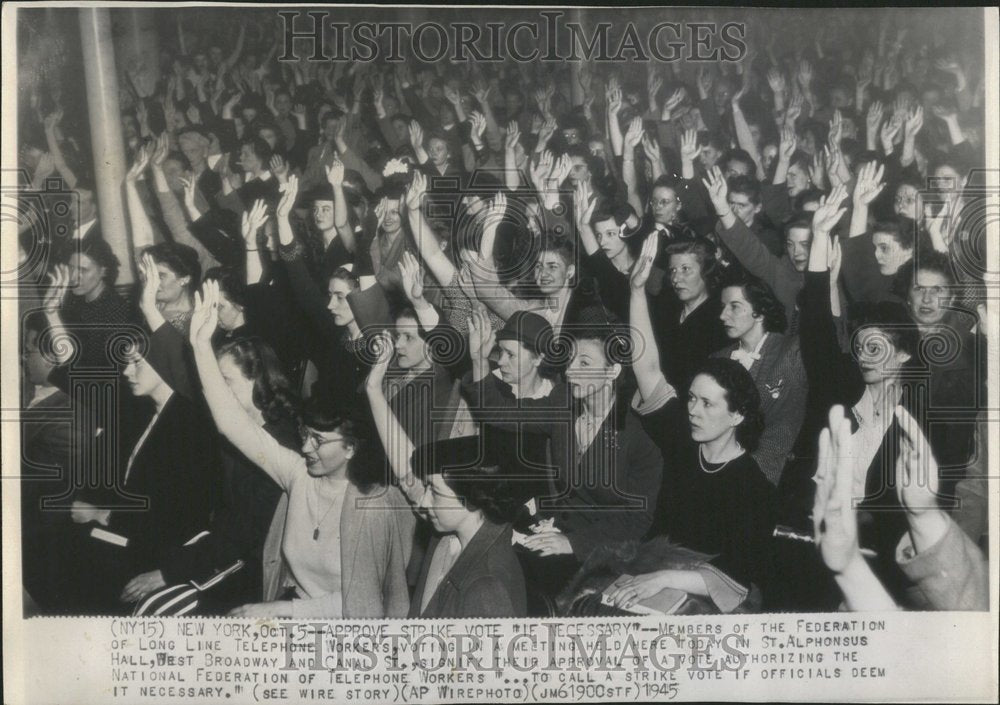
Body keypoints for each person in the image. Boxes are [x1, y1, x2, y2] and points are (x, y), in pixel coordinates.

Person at [189, 281, 414, 618]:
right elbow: (233, 425)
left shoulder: (375, 503)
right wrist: (200, 346)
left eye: (320, 441)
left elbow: (368, 602)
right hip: (288, 609)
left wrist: (281, 610)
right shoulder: (299, 476)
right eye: (306, 435)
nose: (306, 447)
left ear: (351, 448)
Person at [619, 235, 776, 610]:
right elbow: (649, 369)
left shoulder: (753, 485)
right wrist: (637, 292)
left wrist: (664, 578)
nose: (693, 410)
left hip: (707, 596)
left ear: (737, 414)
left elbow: (737, 575)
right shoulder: (684, 442)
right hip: (656, 572)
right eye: (691, 399)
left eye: (707, 403)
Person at [119, 336, 299, 614]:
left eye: (225, 381)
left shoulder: (280, 442)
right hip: (224, 550)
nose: (215, 393)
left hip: (253, 568)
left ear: (257, 379)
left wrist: (168, 573)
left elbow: (243, 537)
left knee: (154, 608)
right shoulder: (236, 435)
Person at [57, 332, 221, 615]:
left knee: (61, 564)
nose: (126, 371)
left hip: (154, 554)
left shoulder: (189, 427)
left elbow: (179, 517)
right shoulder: (145, 409)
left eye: (136, 363)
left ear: (164, 365)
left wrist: (102, 514)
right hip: (128, 537)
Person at [366, 334, 527, 618]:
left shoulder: (488, 586)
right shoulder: (449, 538)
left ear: (473, 497)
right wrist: (373, 390)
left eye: (435, 492)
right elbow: (410, 469)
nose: (424, 503)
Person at [714, 269, 808, 485]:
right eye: (723, 307)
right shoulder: (718, 359)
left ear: (760, 312)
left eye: (734, 307)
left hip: (775, 478)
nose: (723, 315)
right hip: (723, 474)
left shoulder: (792, 353)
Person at [647, 237, 729, 390]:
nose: (676, 278)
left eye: (686, 269)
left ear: (706, 271)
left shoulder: (720, 322)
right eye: (673, 270)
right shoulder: (665, 309)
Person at [142, 241, 202, 335]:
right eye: (149, 276)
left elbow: (170, 348)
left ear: (185, 279)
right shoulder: (155, 303)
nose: (152, 282)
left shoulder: (195, 320)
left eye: (160, 276)